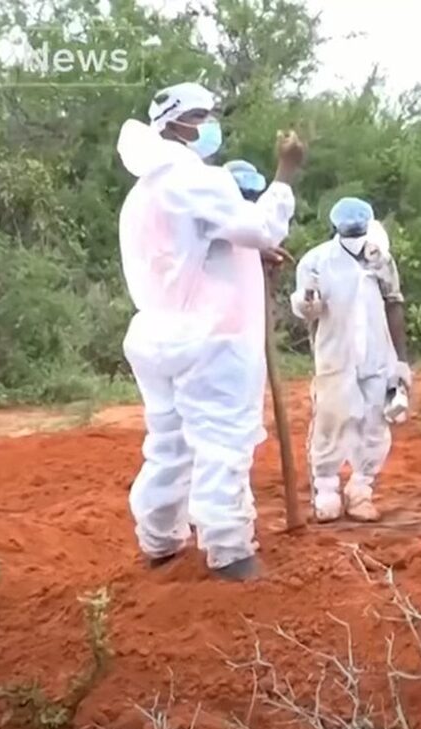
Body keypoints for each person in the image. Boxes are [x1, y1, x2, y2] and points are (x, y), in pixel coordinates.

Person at [117, 82, 304, 580]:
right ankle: (229, 552)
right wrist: (285, 175)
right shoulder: (195, 180)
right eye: (203, 116)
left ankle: (159, 540)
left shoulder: (142, 194)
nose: (210, 126)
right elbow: (261, 226)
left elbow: (198, 246)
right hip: (213, 338)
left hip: (157, 335)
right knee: (224, 439)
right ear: (177, 124)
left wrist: (250, 251)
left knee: (169, 441)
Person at [291, 198, 411, 523]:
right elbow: (308, 312)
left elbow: (394, 304)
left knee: (374, 421)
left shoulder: (379, 259)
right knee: (331, 420)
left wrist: (401, 362)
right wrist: (308, 300)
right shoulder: (317, 261)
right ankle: (326, 490)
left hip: (376, 354)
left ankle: (361, 489)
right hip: (335, 354)